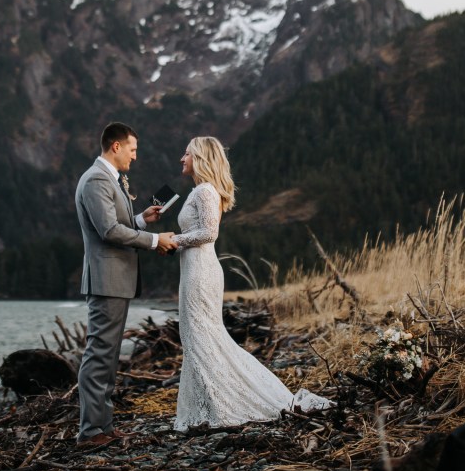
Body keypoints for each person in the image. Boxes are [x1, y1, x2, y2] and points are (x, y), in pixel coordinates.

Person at [171, 136, 330, 431]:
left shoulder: (205, 190)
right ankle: (209, 404)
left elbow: (208, 233)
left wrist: (174, 239)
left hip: (201, 272)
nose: (182, 158)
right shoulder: (201, 191)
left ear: (201, 158)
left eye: (187, 153)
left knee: (203, 336)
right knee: (198, 337)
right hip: (194, 269)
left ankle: (232, 403)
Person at [74, 121, 177, 447]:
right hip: (106, 281)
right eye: (132, 149)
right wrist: (152, 239)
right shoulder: (95, 180)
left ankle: (103, 426)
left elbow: (117, 225)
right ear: (115, 146)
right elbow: (108, 232)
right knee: (99, 355)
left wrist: (140, 219)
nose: (135, 156)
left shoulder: (108, 180)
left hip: (115, 281)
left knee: (108, 355)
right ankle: (91, 432)